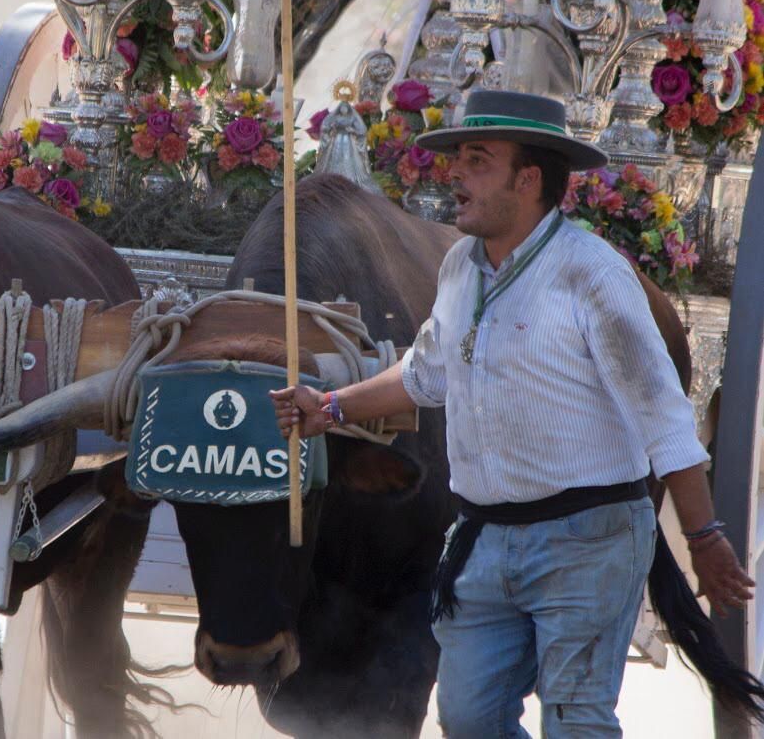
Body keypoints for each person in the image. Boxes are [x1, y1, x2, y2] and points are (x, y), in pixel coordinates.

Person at [270, 88, 754, 738]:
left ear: (527, 180)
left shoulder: (592, 276)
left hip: (589, 537)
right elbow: (425, 373)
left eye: (477, 160)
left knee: (576, 719)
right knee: (469, 719)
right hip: (483, 539)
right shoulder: (461, 269)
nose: (456, 175)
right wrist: (329, 407)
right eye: (458, 158)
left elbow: (663, 423)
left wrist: (703, 539)